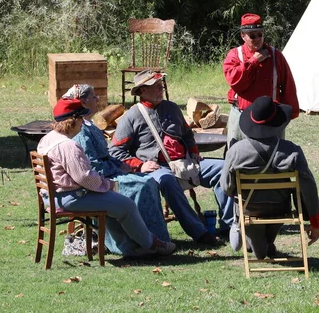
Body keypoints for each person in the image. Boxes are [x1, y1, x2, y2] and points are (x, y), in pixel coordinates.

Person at [37, 97, 176, 257]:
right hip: (70, 198)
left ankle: (130, 248)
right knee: (126, 206)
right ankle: (152, 245)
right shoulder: (68, 145)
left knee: (113, 203)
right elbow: (84, 177)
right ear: (73, 120)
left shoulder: (47, 139)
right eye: (81, 118)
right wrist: (107, 184)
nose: (83, 123)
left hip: (52, 197)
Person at [109, 70, 234, 244]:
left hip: (184, 162)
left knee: (224, 169)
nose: (161, 89)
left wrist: (194, 152)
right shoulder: (131, 116)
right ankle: (199, 233)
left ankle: (229, 227)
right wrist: (140, 165)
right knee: (168, 180)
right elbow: (115, 150)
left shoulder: (172, 108)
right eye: (156, 86)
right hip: (156, 167)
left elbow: (187, 134)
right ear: (143, 91)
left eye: (161, 85)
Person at [221, 96, 319, 259]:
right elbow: (308, 187)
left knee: (259, 252)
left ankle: (252, 237)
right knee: (262, 249)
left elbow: (226, 186)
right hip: (280, 207)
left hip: (248, 208)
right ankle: (264, 243)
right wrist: (316, 221)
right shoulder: (292, 151)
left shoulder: (236, 151)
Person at [222, 13, 299, 148]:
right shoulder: (235, 55)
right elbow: (235, 82)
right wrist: (253, 62)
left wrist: (289, 113)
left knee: (274, 159)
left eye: (260, 34)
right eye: (252, 35)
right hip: (241, 115)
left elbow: (288, 85)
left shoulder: (276, 56)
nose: (257, 39)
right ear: (243, 36)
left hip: (271, 118)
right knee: (237, 156)